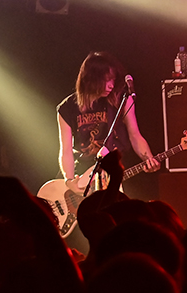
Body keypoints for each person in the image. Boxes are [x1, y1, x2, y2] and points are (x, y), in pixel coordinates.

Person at [57, 52, 159, 198]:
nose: (111, 85)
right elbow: (66, 150)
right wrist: (69, 180)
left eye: (113, 80)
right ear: (91, 79)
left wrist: (148, 158)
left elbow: (135, 135)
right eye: (106, 80)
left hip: (114, 170)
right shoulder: (67, 108)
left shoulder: (121, 100)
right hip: (85, 176)